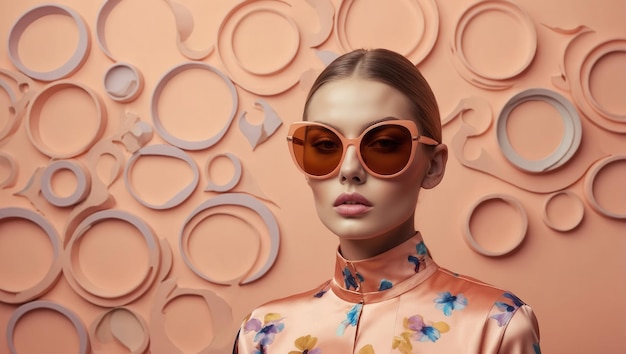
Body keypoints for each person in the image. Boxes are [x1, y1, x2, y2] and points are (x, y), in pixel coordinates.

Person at [233, 48, 540, 353]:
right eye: (325, 144)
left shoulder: (494, 326)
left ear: (433, 166)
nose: (349, 169)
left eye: (383, 143)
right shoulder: (260, 335)